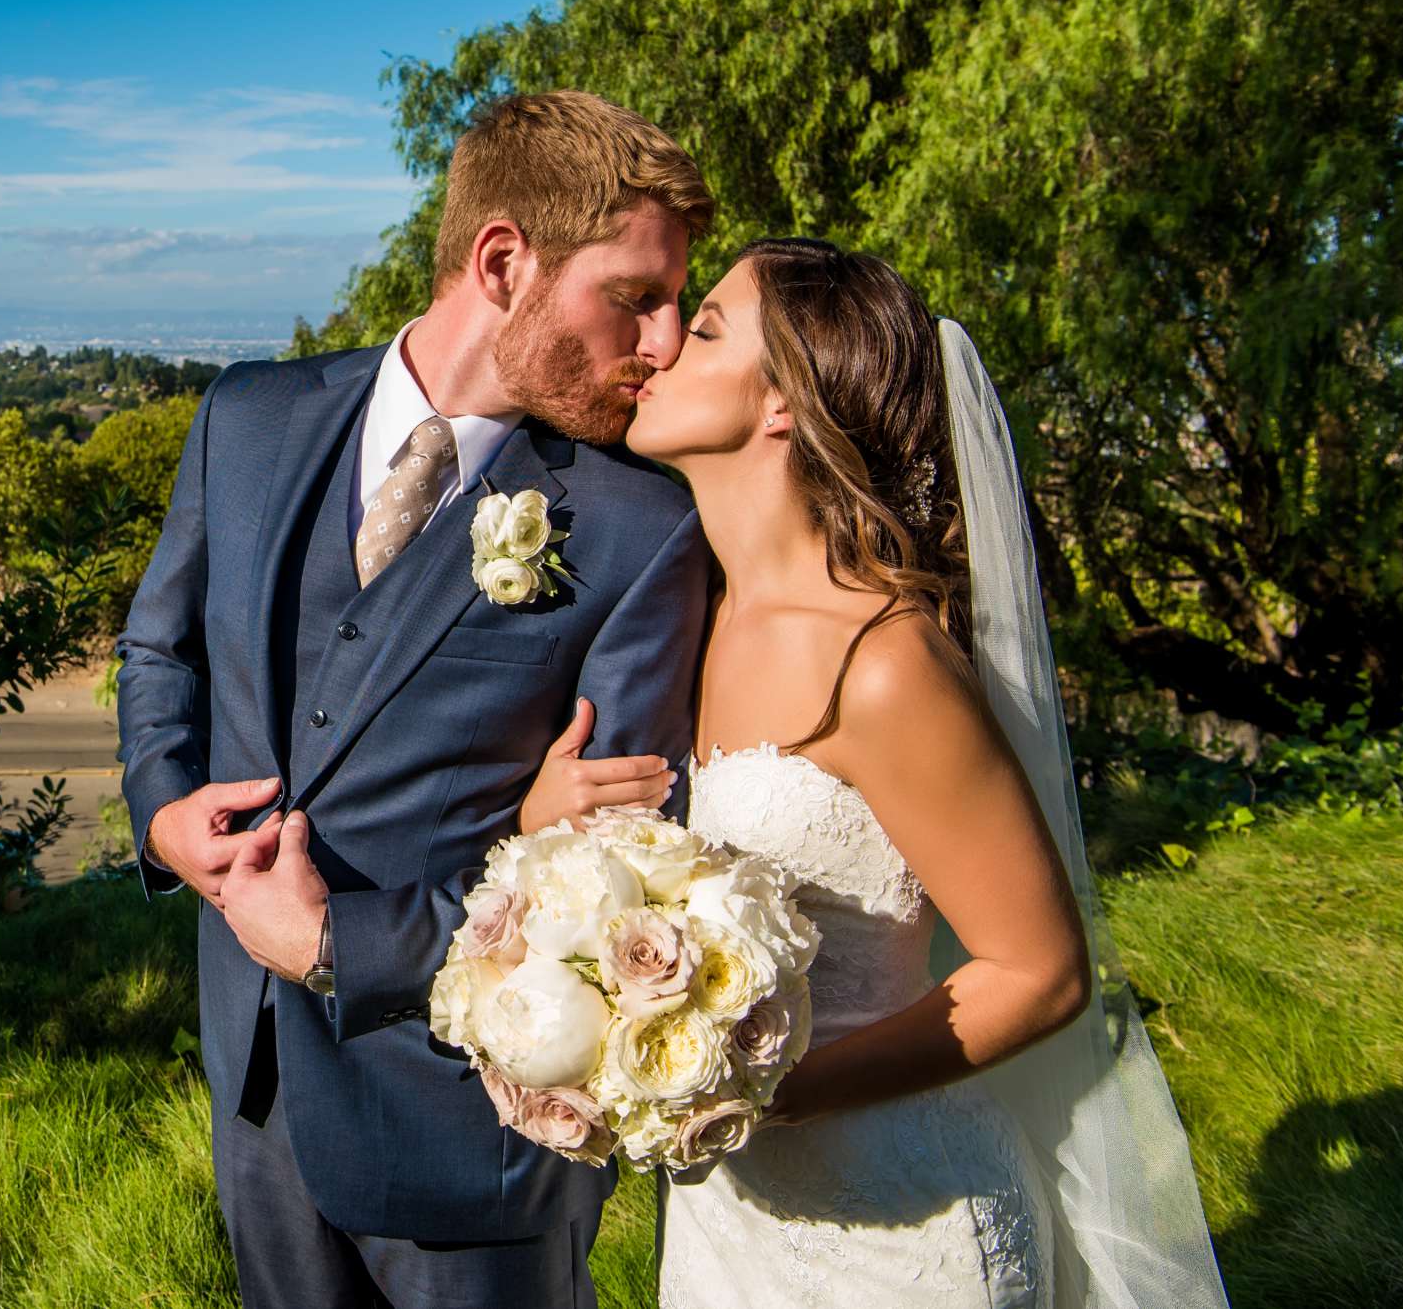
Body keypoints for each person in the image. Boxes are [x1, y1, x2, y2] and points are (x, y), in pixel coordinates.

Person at [523, 236, 1231, 1308]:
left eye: (705, 326)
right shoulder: (694, 618)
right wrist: (547, 826)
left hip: (902, 1239)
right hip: (727, 1225)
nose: (658, 345)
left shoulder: (882, 663)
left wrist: (769, 1090)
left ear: (782, 408)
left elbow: (1041, 973)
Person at [115, 90, 715, 1308]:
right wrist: (163, 810)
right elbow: (160, 654)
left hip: (479, 1135)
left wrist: (342, 943)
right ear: (504, 262)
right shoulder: (247, 417)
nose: (662, 343)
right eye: (635, 297)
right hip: (261, 1091)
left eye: (673, 306)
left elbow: (625, 884)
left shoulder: (645, 527)